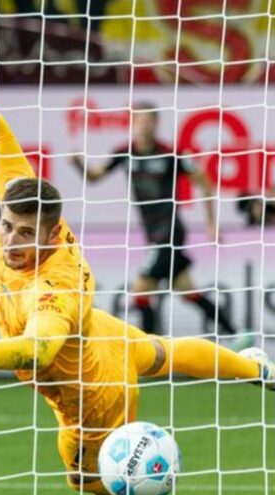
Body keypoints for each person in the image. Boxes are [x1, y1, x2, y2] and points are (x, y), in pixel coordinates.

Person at [0, 40, 273, 495]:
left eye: (26, 235)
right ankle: (254, 365)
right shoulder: (21, 198)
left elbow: (35, 348)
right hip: (100, 332)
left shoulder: (50, 291)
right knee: (159, 350)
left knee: (81, 474)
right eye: (7, 227)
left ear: (53, 233)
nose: (11, 242)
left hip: (88, 389)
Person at [72, 103, 248, 347]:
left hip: (169, 232)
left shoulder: (169, 153)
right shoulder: (125, 153)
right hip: (152, 233)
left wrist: (210, 223)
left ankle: (149, 351)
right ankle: (237, 333)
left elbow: (204, 180)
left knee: (140, 291)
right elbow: (94, 177)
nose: (144, 126)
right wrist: (78, 164)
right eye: (140, 121)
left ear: (156, 125)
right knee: (187, 290)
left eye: (149, 122)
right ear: (134, 125)